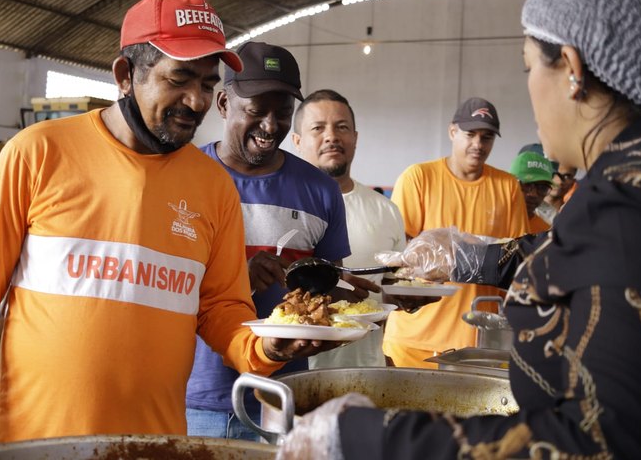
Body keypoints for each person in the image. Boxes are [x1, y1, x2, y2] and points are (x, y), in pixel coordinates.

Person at [276, 0, 641, 459]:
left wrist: (361, 438)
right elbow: (588, 268)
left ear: (573, 69)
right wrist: (468, 256)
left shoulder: (629, 203)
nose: (529, 91)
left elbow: (599, 443)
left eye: (529, 66)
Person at [0, 0, 337, 458]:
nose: (197, 100)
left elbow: (222, 309)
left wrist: (268, 347)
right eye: (179, 79)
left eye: (207, 84)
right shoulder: (38, 154)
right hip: (34, 444)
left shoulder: (212, 187)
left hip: (155, 445)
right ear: (126, 76)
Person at [185, 43, 366, 441]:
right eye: (255, 111)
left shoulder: (320, 190)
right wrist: (234, 279)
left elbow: (328, 287)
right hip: (194, 398)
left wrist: (373, 297)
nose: (270, 126)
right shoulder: (183, 178)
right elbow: (161, 286)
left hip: (283, 397)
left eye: (282, 113)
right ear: (222, 103)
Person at [382, 97, 529, 367]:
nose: (478, 144)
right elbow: (398, 255)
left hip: (476, 344)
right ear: (452, 132)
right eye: (470, 134)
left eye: (487, 137)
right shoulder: (418, 178)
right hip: (413, 341)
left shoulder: (507, 187)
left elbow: (517, 257)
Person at [291, 89, 407, 369]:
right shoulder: (282, 208)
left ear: (355, 138)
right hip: (295, 377)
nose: (332, 136)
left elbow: (392, 289)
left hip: (367, 372)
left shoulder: (386, 210)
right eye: (318, 128)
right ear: (297, 141)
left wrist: (410, 298)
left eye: (342, 127)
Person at [509, 150, 555, 233]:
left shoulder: (544, 233)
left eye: (543, 188)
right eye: (526, 184)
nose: (533, 194)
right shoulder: (485, 220)